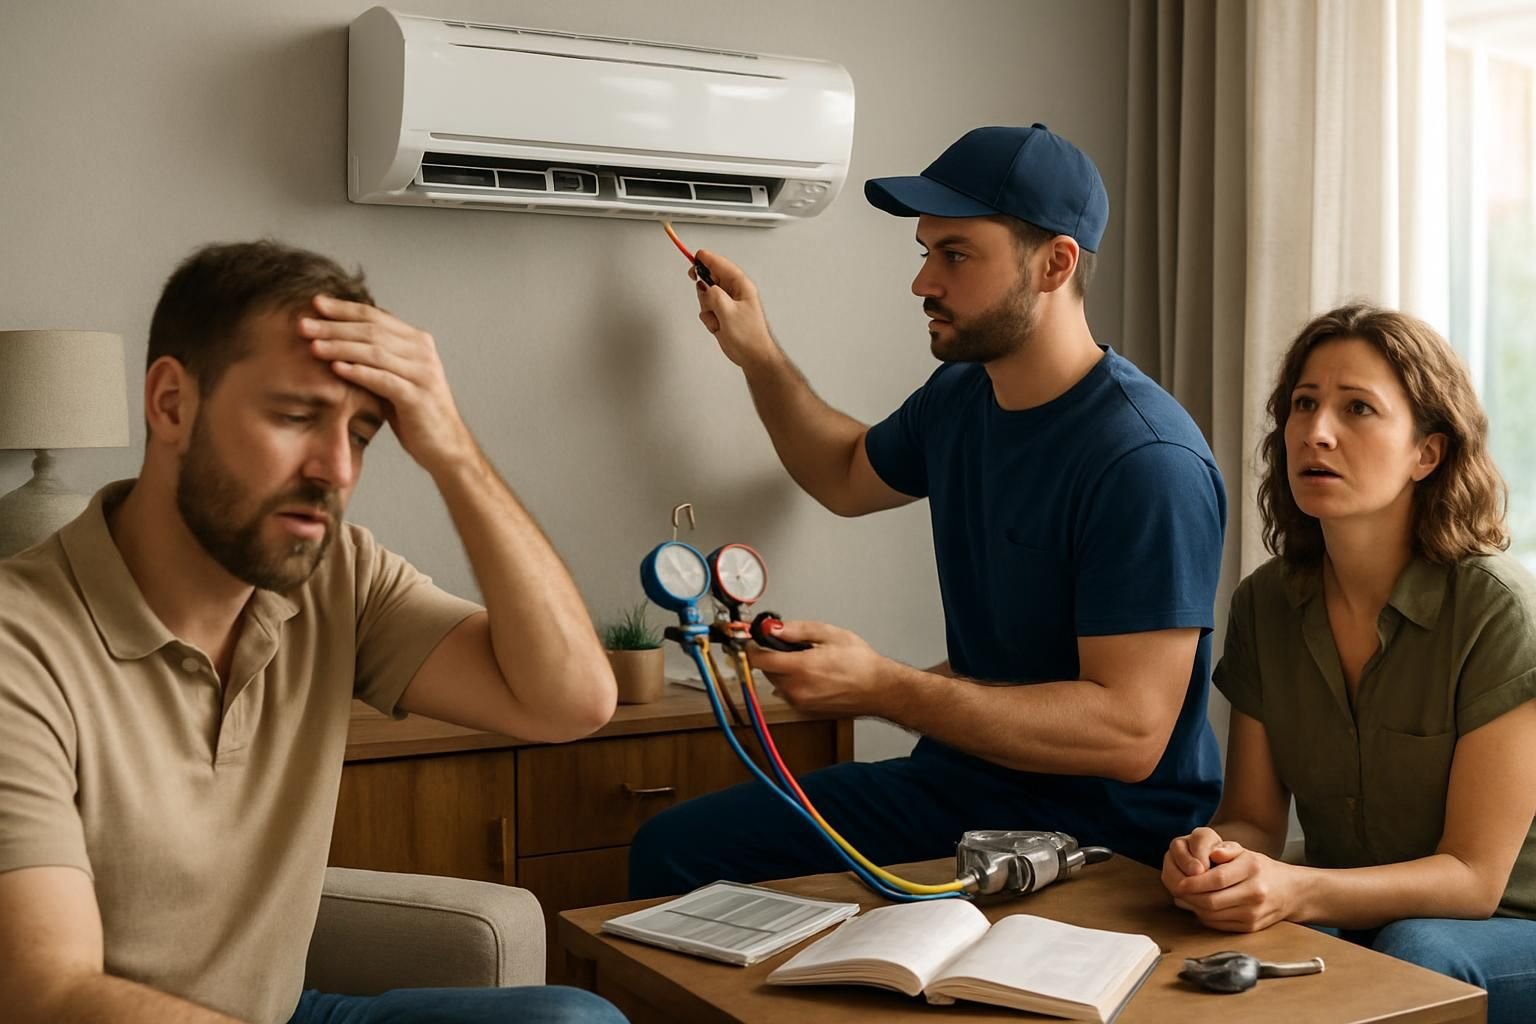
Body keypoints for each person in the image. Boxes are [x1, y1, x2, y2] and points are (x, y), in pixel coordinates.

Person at [0, 241, 626, 1024]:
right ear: (171, 403)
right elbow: (45, 994)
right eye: (296, 417)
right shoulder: (20, 642)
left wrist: (453, 451)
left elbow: (571, 702)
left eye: (361, 433)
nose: (337, 468)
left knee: (573, 1021)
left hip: (283, 1012)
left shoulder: (338, 576)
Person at [628, 124, 1228, 898]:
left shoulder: (1145, 461)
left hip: (1102, 833)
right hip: (963, 785)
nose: (922, 283)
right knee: (675, 851)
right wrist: (759, 354)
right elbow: (845, 474)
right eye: (925, 252)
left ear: (1055, 264)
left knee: (699, 865)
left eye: (956, 255)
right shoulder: (962, 396)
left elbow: (1131, 733)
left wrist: (883, 687)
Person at [1160, 305, 1536, 1023]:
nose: (1316, 432)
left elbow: (1474, 879)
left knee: (1412, 952)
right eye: (1304, 404)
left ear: (1427, 453)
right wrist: (1214, 857)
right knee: (1225, 944)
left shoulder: (1498, 610)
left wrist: (1298, 889)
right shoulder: (1265, 604)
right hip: (1362, 912)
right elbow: (1253, 820)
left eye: (1357, 408)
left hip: (1511, 922)